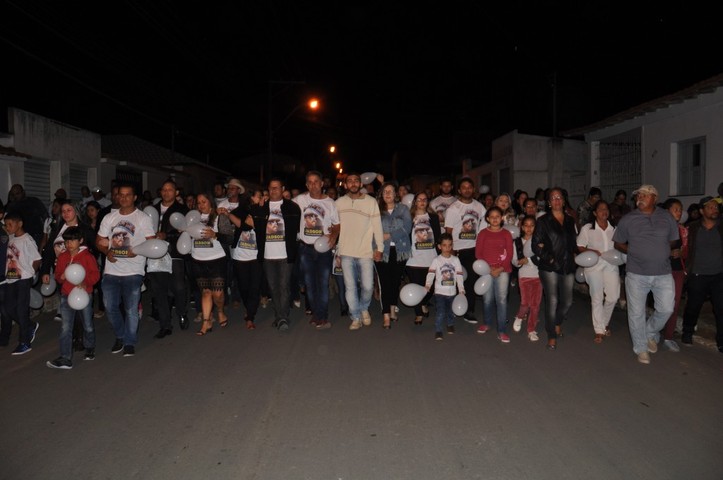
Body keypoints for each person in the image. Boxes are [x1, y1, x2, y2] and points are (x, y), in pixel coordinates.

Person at [613, 184, 678, 364]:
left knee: (667, 308)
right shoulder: (628, 219)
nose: (639, 198)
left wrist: (660, 249)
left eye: (644, 195)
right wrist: (633, 251)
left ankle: (649, 332)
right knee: (636, 313)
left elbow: (673, 240)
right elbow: (618, 243)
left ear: (655, 198)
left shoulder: (666, 217)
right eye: (638, 195)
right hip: (636, 273)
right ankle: (640, 347)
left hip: (663, 272)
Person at [95, 184, 155, 356]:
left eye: (128, 195)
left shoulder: (142, 218)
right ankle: (120, 336)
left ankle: (129, 341)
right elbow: (99, 241)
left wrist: (136, 251)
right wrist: (106, 251)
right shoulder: (109, 218)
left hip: (133, 271)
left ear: (134, 197)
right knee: (110, 307)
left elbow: (151, 243)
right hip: (111, 271)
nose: (124, 198)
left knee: (130, 309)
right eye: (121, 195)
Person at [249, 179, 301, 331]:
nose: (273, 190)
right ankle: (279, 315)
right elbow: (248, 216)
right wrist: (255, 203)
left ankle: (282, 317)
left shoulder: (292, 207)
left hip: (285, 254)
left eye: (276, 188)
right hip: (267, 255)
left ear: (282, 189)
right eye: (271, 188)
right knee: (273, 287)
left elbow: (298, 228)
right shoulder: (261, 208)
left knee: (284, 286)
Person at [45, 227, 100, 369]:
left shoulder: (87, 256)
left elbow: (95, 275)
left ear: (80, 241)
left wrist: (86, 282)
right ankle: (65, 357)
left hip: (84, 294)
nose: (69, 244)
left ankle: (90, 347)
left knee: (87, 324)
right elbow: (58, 275)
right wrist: (61, 277)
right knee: (65, 327)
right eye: (67, 241)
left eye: (73, 240)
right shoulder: (63, 257)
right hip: (67, 295)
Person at [336, 172, 384, 330]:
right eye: (349, 181)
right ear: (345, 185)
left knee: (368, 286)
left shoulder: (370, 202)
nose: (353, 183)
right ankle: (355, 317)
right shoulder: (339, 203)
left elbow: (377, 227)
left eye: (356, 181)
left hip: (365, 252)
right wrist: (337, 252)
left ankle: (364, 308)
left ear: (361, 184)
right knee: (350, 287)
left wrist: (380, 248)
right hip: (346, 252)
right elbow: (335, 229)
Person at [532, 187, 578, 351]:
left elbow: (572, 242)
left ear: (564, 201)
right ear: (549, 203)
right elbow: (535, 246)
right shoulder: (543, 221)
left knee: (567, 301)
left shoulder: (570, 220)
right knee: (552, 300)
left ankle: (557, 322)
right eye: (553, 198)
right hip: (549, 266)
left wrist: (574, 256)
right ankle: (551, 335)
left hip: (567, 265)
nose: (557, 200)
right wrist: (550, 257)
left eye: (559, 197)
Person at [293, 171, 340, 330]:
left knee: (322, 283)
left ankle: (322, 317)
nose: (313, 185)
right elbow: (283, 206)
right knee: (309, 285)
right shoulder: (300, 200)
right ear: (307, 185)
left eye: (316, 181)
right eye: (310, 182)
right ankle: (316, 313)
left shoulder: (330, 203)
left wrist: (333, 236)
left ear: (322, 183)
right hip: (305, 249)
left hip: (323, 250)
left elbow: (337, 224)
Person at [681, 196, 723, 352]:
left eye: (716, 207)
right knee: (693, 306)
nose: (714, 209)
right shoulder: (692, 228)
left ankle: (721, 341)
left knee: (721, 309)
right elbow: (684, 247)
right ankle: (687, 332)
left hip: (719, 275)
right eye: (710, 207)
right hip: (697, 274)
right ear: (701, 211)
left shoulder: (721, 227)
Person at [149, 179, 190, 339]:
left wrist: (167, 235)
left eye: (170, 190)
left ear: (176, 192)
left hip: (174, 253)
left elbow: (185, 231)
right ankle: (165, 325)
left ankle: (181, 312)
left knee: (178, 287)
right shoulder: (152, 209)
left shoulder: (182, 210)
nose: (166, 192)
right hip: (155, 253)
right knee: (159, 290)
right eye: (164, 190)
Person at [444, 177, 487, 324]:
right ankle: (454, 308)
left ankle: (469, 311)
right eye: (464, 187)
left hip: (474, 249)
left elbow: (484, 229)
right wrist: (450, 252)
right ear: (459, 190)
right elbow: (448, 232)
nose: (467, 190)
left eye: (469, 187)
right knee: (455, 281)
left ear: (473, 189)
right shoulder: (453, 208)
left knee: (471, 281)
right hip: (457, 250)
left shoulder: (480, 207)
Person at [576, 200, 620, 343]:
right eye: (600, 209)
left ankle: (604, 322)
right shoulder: (588, 228)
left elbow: (620, 246)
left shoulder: (614, 228)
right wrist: (591, 251)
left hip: (611, 265)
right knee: (597, 297)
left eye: (606, 209)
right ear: (595, 213)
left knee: (613, 296)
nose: (604, 211)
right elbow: (580, 246)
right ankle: (599, 330)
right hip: (593, 266)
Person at [3, 212, 42, 355]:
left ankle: (25, 342)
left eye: (10, 224)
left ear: (19, 224)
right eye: (6, 225)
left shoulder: (27, 240)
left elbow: (37, 258)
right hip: (11, 278)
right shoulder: (12, 238)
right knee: (8, 308)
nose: (7, 227)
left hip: (23, 279)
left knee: (21, 309)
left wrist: (31, 273)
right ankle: (30, 325)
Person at [375, 182, 412, 329]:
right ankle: (386, 315)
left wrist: (389, 235)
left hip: (400, 250)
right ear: (381, 195)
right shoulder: (377, 210)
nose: (388, 194)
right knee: (385, 283)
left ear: (396, 194)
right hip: (382, 251)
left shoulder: (403, 209)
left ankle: (392, 309)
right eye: (385, 191)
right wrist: (374, 249)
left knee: (395, 282)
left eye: (390, 191)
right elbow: (372, 230)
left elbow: (407, 228)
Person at [474, 206, 514, 342]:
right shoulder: (483, 233)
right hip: (486, 271)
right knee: (487, 299)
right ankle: (487, 323)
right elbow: (478, 253)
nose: (495, 219)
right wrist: (489, 269)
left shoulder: (506, 234)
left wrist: (500, 269)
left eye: (497, 216)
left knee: (501, 300)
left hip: (503, 270)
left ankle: (502, 330)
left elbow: (509, 254)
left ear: (502, 218)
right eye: (492, 217)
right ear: (487, 219)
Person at [190, 192, 228, 335]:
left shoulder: (219, 216)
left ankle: (220, 311)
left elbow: (229, 238)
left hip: (217, 259)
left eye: (204, 202)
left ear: (210, 202)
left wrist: (215, 235)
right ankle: (206, 322)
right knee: (205, 292)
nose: (201, 205)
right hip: (198, 259)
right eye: (198, 202)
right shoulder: (193, 218)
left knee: (218, 294)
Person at [407, 191, 441, 324]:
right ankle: (419, 313)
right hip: (413, 259)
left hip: (431, 259)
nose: (422, 202)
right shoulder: (409, 217)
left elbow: (438, 236)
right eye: (419, 199)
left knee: (430, 288)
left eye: (424, 199)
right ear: (415, 202)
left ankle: (423, 303)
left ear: (427, 202)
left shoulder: (433, 217)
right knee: (416, 287)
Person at [659, 198, 687, 352]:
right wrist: (668, 252)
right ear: (666, 211)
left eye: (680, 209)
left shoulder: (682, 230)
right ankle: (653, 331)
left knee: (674, 305)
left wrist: (682, 253)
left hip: (677, 270)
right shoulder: (658, 229)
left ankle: (668, 337)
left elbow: (687, 251)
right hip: (662, 270)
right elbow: (651, 249)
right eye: (676, 209)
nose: (679, 212)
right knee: (663, 304)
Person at [425, 233, 464, 340]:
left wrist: (461, 289)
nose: (447, 248)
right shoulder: (436, 260)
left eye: (450, 245)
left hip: (452, 292)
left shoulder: (456, 260)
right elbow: (431, 274)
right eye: (444, 245)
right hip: (440, 292)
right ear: (439, 246)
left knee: (451, 311)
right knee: (440, 312)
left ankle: (450, 324)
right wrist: (428, 285)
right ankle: (438, 330)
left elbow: (459, 276)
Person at [512, 215, 542, 341]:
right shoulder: (517, 242)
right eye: (526, 225)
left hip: (538, 276)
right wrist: (519, 262)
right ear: (522, 227)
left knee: (535, 305)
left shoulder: (539, 242)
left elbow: (542, 258)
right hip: (524, 276)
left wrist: (529, 259)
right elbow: (514, 260)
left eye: (532, 225)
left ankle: (531, 330)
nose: (529, 228)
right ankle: (519, 316)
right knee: (525, 303)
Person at [5, 184, 49, 248]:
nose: (15, 196)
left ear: (23, 192)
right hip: (20, 238)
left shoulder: (34, 201)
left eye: (17, 193)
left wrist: (46, 232)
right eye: (13, 194)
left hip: (36, 235)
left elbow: (45, 217)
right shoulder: (11, 206)